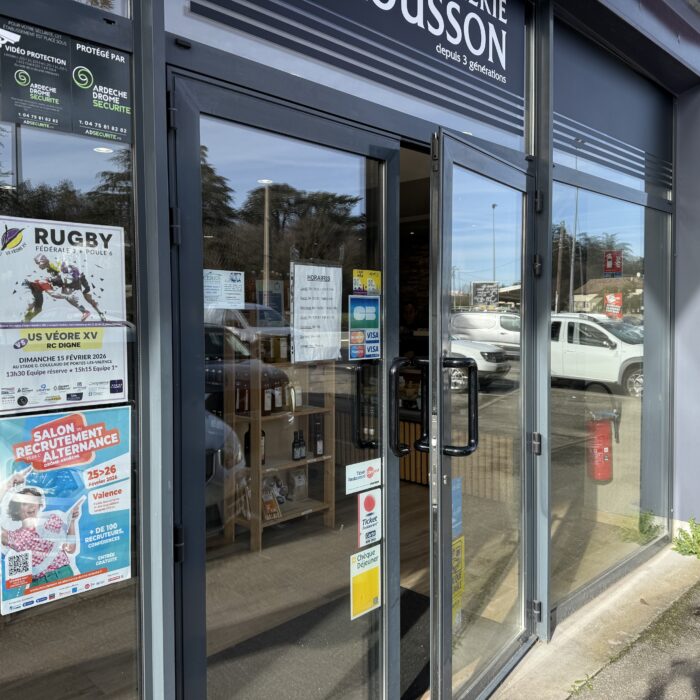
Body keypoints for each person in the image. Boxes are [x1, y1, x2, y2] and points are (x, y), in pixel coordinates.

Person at [0, 467, 84, 588]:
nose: (31, 506)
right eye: (25, 503)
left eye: (33, 501)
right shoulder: (12, 537)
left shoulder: (51, 520)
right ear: (16, 509)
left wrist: (72, 522)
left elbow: (70, 549)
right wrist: (8, 484)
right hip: (38, 584)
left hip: (63, 574)